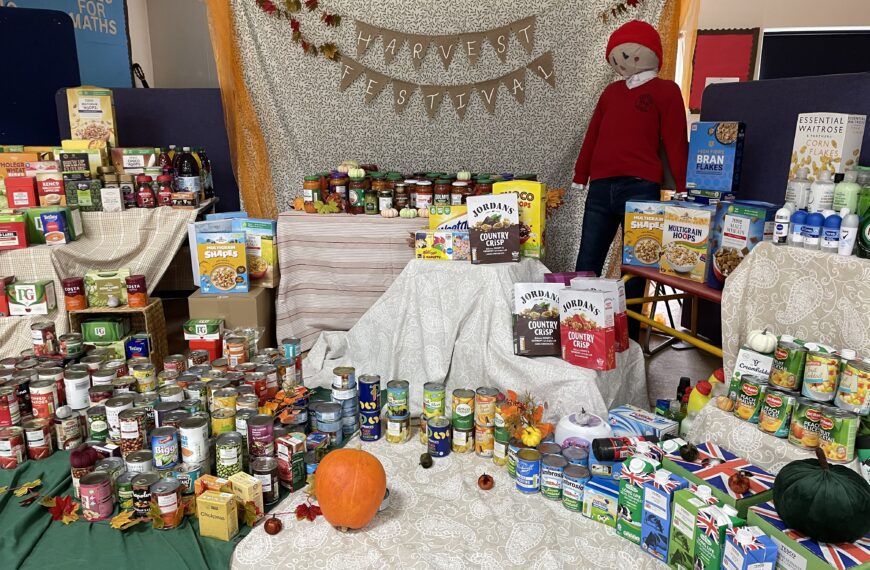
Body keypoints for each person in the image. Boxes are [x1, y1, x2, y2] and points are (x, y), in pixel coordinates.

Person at [572, 20, 687, 339]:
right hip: (601, 186)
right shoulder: (610, 93)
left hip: (641, 187)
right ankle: (581, 328)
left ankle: (631, 339)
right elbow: (593, 134)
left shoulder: (666, 91)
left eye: (630, 55)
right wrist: (581, 173)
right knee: (587, 261)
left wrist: (683, 185)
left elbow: (676, 140)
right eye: (617, 57)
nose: (623, 63)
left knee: (636, 266)